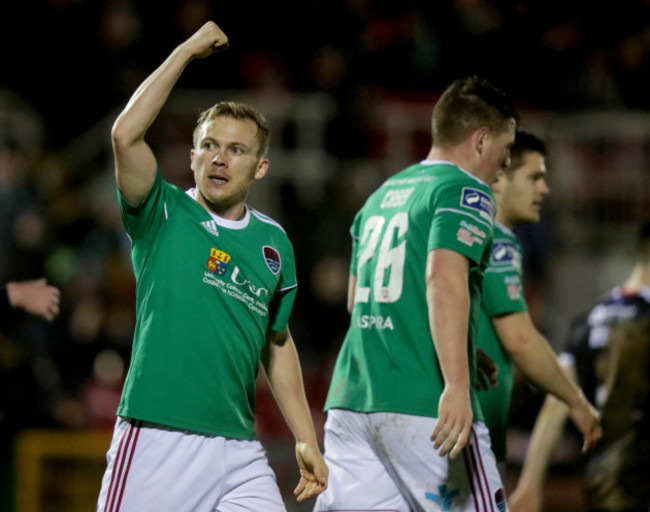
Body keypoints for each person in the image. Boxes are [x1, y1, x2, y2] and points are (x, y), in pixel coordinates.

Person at [95, 21, 327, 512]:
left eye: (237, 150)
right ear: (194, 155)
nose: (220, 159)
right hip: (159, 438)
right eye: (210, 146)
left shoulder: (274, 244)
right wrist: (185, 51)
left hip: (240, 449)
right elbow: (124, 135)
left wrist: (304, 436)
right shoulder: (161, 212)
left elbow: (277, 341)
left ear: (260, 167)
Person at [314, 75, 518, 512]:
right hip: (423, 403)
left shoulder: (380, 196)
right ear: (481, 139)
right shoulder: (464, 191)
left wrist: (461, 341)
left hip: (352, 402)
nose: (505, 164)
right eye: (506, 148)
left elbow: (360, 302)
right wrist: (457, 383)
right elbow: (442, 279)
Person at [476, 130, 601, 476]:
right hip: (466, 433)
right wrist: (575, 401)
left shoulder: (457, 232)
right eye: (534, 178)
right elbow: (521, 341)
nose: (544, 189)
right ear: (500, 178)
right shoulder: (497, 241)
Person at [509, 219, 650, 512]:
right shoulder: (643, 322)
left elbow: (557, 400)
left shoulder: (592, 318)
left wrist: (530, 484)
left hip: (602, 484)